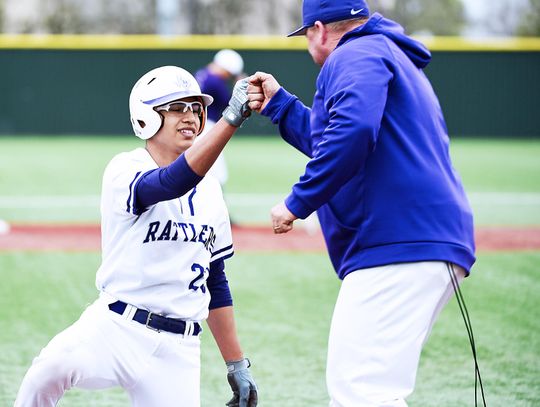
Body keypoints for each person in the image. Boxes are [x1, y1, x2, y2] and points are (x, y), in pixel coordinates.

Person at [247, 1, 476, 406]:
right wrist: (281, 106)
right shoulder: (382, 52)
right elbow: (338, 136)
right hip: (416, 239)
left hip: (398, 242)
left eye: (305, 36)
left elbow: (352, 131)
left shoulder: (355, 52)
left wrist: (299, 201)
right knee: (369, 389)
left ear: (317, 29)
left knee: (362, 391)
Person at [14, 66, 257, 407]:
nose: (190, 116)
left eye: (196, 108)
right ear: (146, 117)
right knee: (48, 370)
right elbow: (169, 183)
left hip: (178, 349)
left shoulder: (212, 190)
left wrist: (236, 363)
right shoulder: (125, 168)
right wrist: (231, 119)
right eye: (176, 107)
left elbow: (215, 281)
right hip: (115, 328)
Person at [195, 49, 245, 189]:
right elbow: (229, 103)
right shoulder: (215, 81)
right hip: (207, 126)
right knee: (217, 172)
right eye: (229, 73)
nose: (227, 77)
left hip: (197, 125)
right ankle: (219, 207)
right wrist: (240, 85)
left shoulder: (202, 73)